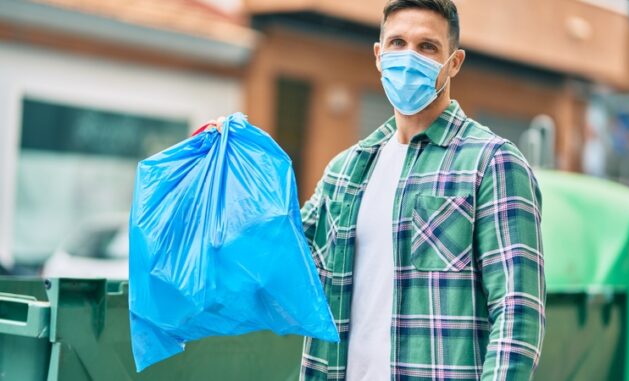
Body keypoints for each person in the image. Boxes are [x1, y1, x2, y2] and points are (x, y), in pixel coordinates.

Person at [206, 1, 545, 380]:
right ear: (379, 55)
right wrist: (231, 169)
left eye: (427, 47)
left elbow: (518, 312)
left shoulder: (492, 163)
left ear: (454, 63)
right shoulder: (346, 171)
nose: (409, 57)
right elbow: (280, 265)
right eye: (397, 43)